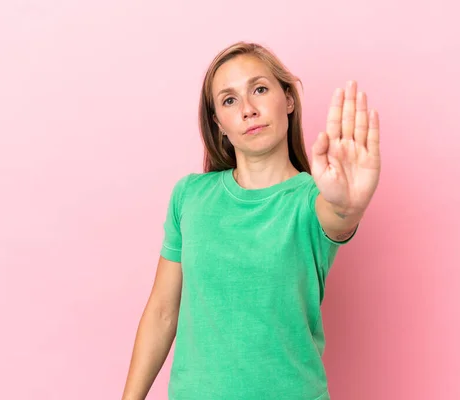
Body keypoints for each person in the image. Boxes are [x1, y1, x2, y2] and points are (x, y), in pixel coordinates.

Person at [121, 41, 381, 400]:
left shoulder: (312, 200)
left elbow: (338, 216)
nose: (248, 109)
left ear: (288, 99)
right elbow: (163, 312)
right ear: (219, 124)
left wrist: (348, 206)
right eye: (229, 100)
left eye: (259, 89)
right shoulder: (190, 196)